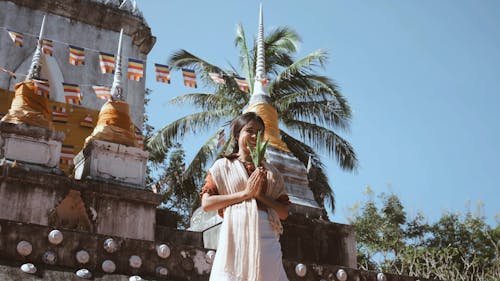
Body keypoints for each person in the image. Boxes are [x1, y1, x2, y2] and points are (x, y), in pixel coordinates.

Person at [201, 112, 290, 281]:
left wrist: (260, 196)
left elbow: (284, 212)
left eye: (260, 132)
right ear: (237, 135)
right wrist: (245, 194)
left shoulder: (272, 172)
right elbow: (207, 203)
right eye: (249, 130)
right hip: (234, 236)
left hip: (268, 239)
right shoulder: (222, 166)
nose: (255, 136)